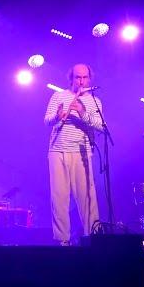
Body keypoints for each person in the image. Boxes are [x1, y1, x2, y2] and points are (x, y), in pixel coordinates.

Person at [44, 63, 103, 246]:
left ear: (89, 79)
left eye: (85, 77)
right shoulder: (58, 96)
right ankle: (62, 241)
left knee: (87, 198)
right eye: (78, 77)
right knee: (59, 199)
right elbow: (47, 120)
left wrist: (82, 112)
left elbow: (101, 126)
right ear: (71, 78)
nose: (81, 81)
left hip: (82, 152)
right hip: (58, 151)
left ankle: (92, 238)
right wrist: (58, 116)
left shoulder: (94, 101)